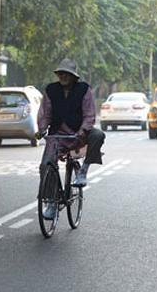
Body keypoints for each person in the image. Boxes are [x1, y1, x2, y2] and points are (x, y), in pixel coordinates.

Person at [36, 58, 106, 219]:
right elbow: (45, 114)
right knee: (46, 165)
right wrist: (41, 129)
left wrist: (82, 130)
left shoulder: (84, 90)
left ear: (74, 76)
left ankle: (83, 171)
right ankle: (52, 202)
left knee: (98, 135)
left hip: (78, 134)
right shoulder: (50, 90)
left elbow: (89, 115)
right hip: (57, 136)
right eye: (60, 73)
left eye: (66, 73)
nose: (63, 76)